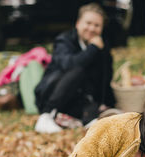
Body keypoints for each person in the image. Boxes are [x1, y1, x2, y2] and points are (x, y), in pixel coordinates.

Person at [34, 3, 116, 133]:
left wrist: (107, 103)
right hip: (50, 94)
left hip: (77, 97)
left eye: (97, 25)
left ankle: (85, 119)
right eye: (88, 23)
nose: (92, 28)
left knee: (93, 115)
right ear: (78, 23)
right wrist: (92, 49)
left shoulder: (102, 46)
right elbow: (70, 66)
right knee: (78, 69)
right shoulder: (64, 40)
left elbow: (105, 77)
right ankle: (46, 116)